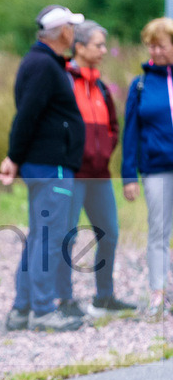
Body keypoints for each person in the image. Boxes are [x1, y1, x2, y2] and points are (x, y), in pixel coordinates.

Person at [0, 5, 86, 332]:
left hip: (48, 163)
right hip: (51, 166)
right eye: (71, 27)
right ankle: (44, 310)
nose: (75, 32)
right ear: (62, 31)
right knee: (49, 238)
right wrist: (13, 156)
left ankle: (22, 310)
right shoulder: (43, 66)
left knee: (39, 237)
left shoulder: (43, 63)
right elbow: (27, 115)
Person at [54, 20, 137, 318]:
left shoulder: (101, 86)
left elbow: (113, 126)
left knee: (110, 233)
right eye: (98, 44)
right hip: (72, 173)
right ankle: (64, 300)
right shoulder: (63, 80)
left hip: (99, 175)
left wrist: (103, 152)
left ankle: (104, 297)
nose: (104, 50)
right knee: (67, 235)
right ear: (80, 47)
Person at [122, 17, 173, 319]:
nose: (154, 51)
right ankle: (158, 293)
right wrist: (129, 175)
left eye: (161, 46)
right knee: (158, 230)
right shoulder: (140, 85)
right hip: (155, 169)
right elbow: (130, 133)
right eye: (151, 46)